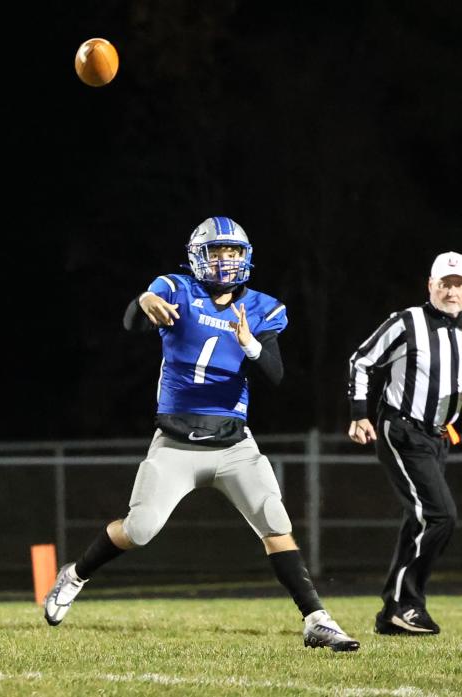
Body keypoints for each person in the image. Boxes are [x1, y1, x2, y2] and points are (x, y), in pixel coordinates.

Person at [43, 216, 360, 651]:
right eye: (217, 252)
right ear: (198, 257)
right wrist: (144, 299)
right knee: (140, 529)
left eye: (233, 252)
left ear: (245, 258)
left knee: (274, 518)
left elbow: (276, 374)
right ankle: (76, 574)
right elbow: (134, 320)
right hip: (176, 443)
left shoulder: (263, 308)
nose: (226, 260)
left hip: (233, 444)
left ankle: (317, 619)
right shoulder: (178, 289)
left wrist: (251, 344)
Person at [347, 251, 462, 635]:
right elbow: (361, 360)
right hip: (403, 431)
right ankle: (406, 603)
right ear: (430, 285)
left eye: (459, 284)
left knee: (420, 519)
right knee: (441, 515)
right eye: (445, 283)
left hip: (437, 436)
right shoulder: (407, 322)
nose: (452, 291)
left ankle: (392, 614)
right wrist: (359, 413)